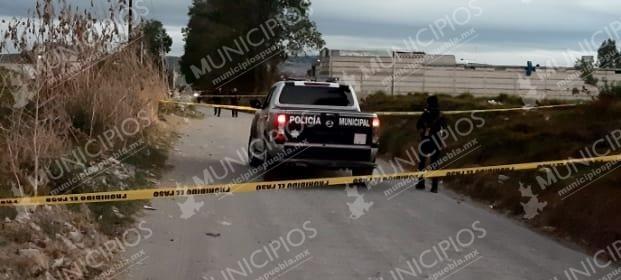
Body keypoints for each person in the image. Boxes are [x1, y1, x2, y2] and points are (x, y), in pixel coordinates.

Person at [415, 96, 447, 193]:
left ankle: (421, 183)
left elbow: (418, 125)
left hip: (425, 140)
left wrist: (424, 129)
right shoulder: (440, 114)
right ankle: (434, 187)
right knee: (435, 164)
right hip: (436, 141)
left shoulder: (425, 113)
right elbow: (445, 127)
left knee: (422, 162)